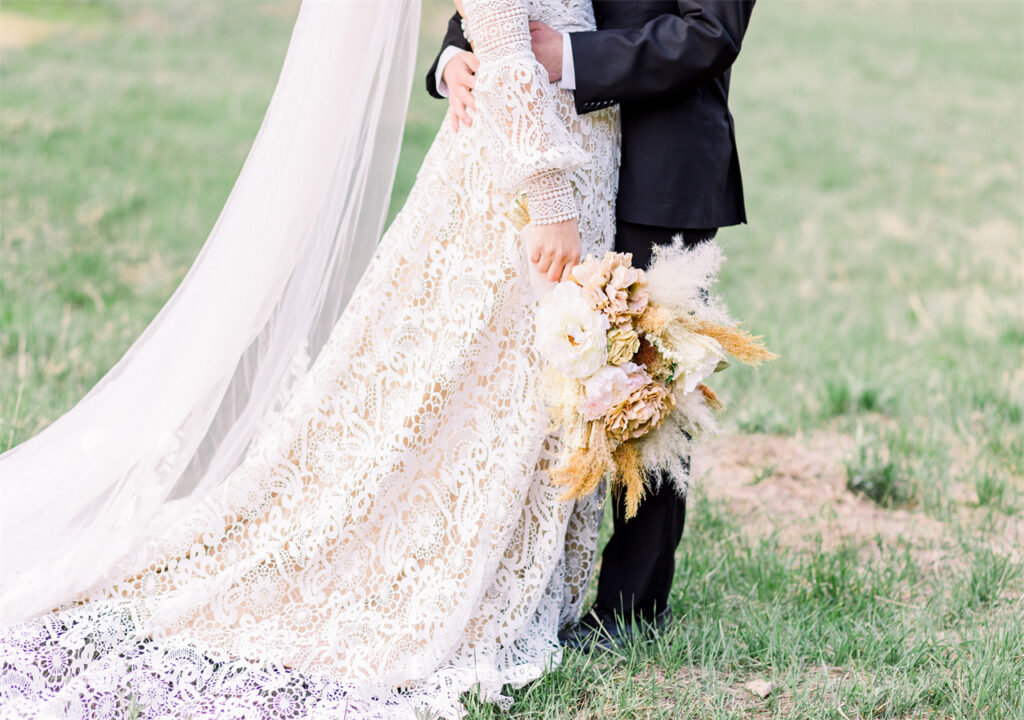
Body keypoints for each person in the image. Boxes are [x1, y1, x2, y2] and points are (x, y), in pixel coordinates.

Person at [0, 1, 619, 718]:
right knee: (485, 388)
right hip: (527, 185)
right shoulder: (543, 195)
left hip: (574, 152)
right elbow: (507, 49)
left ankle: (523, 564)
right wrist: (549, 203)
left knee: (510, 390)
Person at [428, 0, 755, 650]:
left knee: (651, 387)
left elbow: (710, 32)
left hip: (660, 164)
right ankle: (524, 582)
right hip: (561, 166)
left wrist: (569, 58)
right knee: (539, 384)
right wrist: (455, 58)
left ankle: (632, 610)